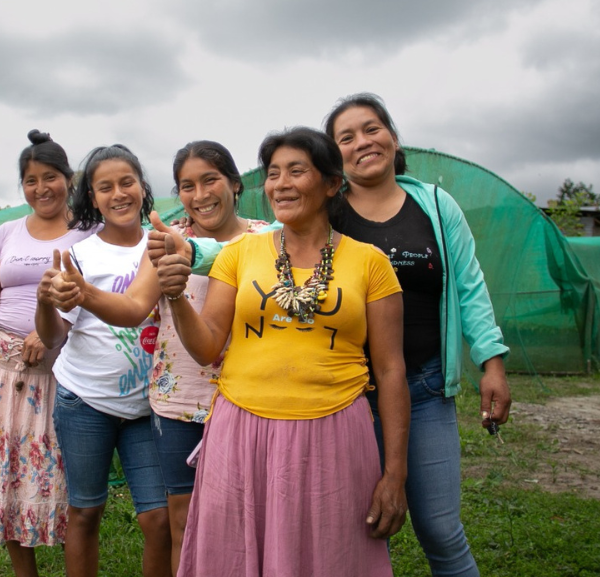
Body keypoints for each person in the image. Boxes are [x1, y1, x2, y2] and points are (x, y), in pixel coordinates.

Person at [154, 127, 410, 576]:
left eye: (297, 171)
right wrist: (176, 296)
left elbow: (390, 371)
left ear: (332, 183)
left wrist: (395, 475)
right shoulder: (240, 254)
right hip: (241, 430)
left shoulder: (370, 263)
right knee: (236, 556)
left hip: (334, 434)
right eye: (273, 174)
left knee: (329, 556)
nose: (281, 184)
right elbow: (208, 345)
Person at [45, 141, 267, 575]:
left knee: (248, 516)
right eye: (188, 185)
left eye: (210, 180)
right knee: (177, 520)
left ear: (235, 184)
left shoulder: (268, 239)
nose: (200, 194)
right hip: (177, 400)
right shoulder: (166, 239)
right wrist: (85, 293)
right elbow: (132, 308)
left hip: (247, 399)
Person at [325, 93, 512, 577]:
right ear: (334, 155)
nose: (362, 142)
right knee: (352, 536)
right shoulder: (329, 215)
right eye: (346, 138)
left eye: (372, 129)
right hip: (346, 396)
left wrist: (491, 362)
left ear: (393, 136)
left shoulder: (434, 203)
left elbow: (469, 284)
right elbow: (262, 250)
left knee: (442, 533)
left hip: (426, 390)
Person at [0, 130, 96, 577]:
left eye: (50, 177)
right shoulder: (5, 232)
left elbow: (97, 297)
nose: (41, 188)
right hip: (0, 376)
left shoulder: (88, 232)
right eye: (31, 180)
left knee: (59, 478)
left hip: (61, 373)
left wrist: (54, 329)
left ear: (68, 178)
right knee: (8, 474)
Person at [35, 144, 172, 577]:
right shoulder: (79, 256)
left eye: (126, 182)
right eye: (105, 187)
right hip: (85, 401)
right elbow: (55, 336)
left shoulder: (163, 244)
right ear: (92, 197)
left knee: (160, 519)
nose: (118, 194)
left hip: (147, 406)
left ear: (142, 187)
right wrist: (44, 303)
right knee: (85, 512)